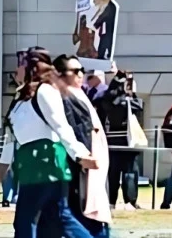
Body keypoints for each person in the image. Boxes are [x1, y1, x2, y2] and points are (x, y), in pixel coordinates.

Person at [0, 49, 99, 238]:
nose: (17, 69)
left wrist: (79, 154)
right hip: (30, 165)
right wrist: (2, 166)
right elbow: (12, 135)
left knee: (26, 222)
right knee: (60, 220)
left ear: (32, 67)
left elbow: (61, 125)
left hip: (45, 163)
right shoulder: (21, 96)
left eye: (21, 65)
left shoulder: (44, 91)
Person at [54, 55, 111, 237]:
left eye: (82, 71)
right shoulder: (64, 97)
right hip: (82, 165)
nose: (81, 75)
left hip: (93, 162)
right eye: (75, 71)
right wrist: (83, 158)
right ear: (60, 74)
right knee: (84, 211)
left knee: (92, 211)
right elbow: (76, 130)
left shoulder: (78, 94)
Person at [97, 71, 143, 210]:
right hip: (125, 139)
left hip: (113, 140)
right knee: (128, 172)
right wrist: (130, 94)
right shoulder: (124, 101)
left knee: (115, 173)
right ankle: (129, 201)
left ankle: (113, 201)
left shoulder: (106, 99)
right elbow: (138, 106)